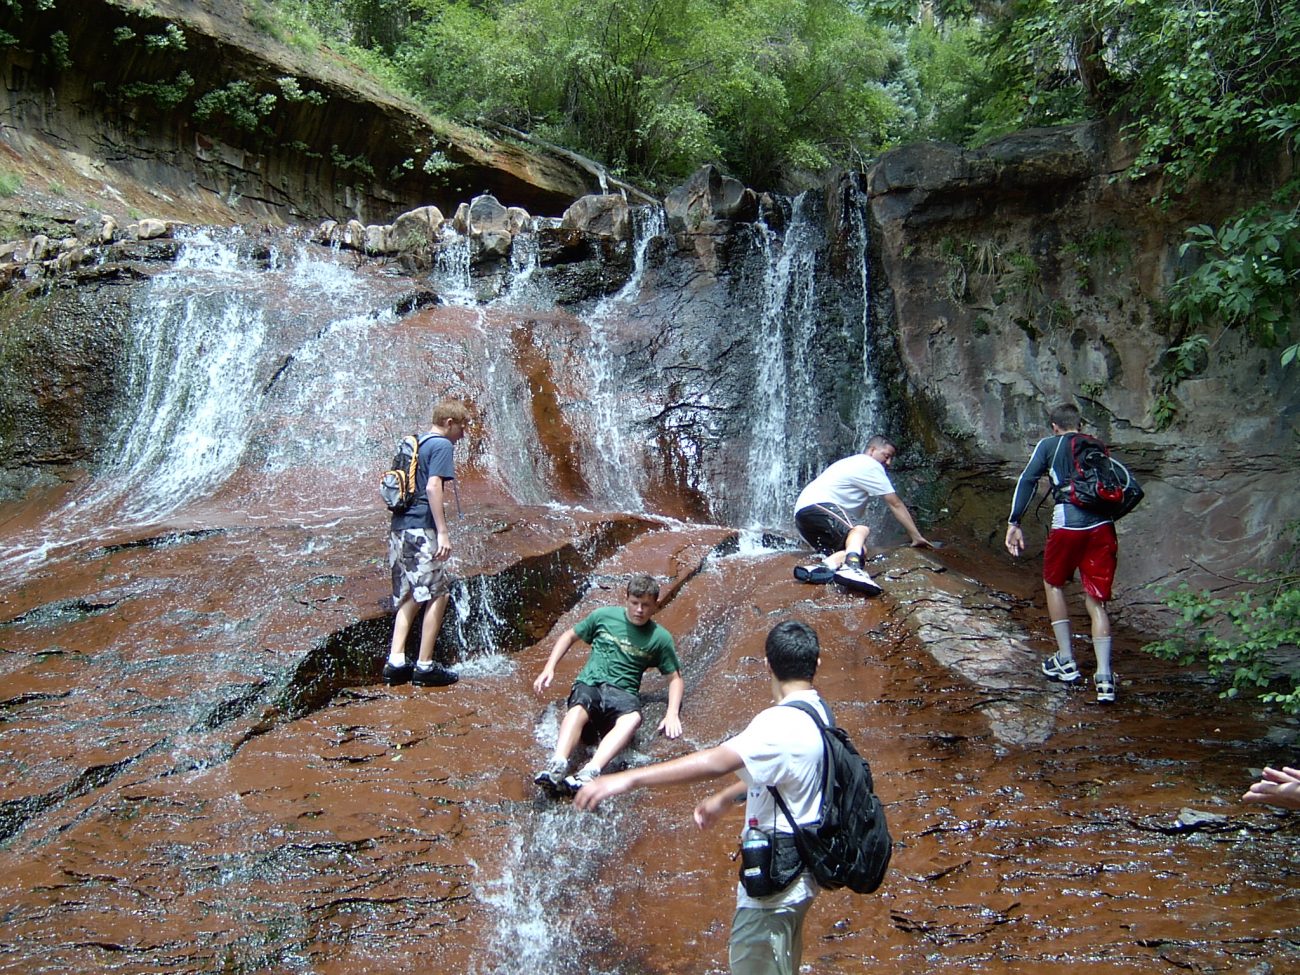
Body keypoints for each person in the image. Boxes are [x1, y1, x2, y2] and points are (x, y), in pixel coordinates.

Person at [574, 620, 829, 975]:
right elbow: (787, 773)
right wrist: (726, 798)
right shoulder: (818, 713)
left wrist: (627, 779)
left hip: (777, 881)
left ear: (767, 664)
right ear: (816, 665)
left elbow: (715, 761)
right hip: (801, 875)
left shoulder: (780, 724)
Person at [1005, 402, 1118, 703]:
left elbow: (1028, 480)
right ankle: (1105, 677)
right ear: (1079, 424)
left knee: (1053, 582)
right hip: (1103, 526)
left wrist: (1014, 521)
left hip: (1069, 523)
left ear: (1054, 426)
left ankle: (1066, 660)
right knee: (1096, 598)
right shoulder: (1096, 445)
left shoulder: (1049, 445)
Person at [532, 573, 684, 792]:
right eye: (635, 603)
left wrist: (672, 713)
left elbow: (675, 678)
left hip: (623, 692)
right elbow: (569, 636)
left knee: (632, 718)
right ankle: (557, 764)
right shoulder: (603, 616)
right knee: (578, 706)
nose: (639, 610)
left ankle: (591, 771)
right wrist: (549, 667)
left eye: (645, 605)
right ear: (626, 599)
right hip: (591, 683)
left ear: (655, 606)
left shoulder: (660, 638)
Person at [382, 399, 469, 688]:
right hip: (421, 528)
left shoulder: (416, 443)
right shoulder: (442, 445)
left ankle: (396, 661)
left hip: (399, 529)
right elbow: (433, 487)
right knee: (438, 593)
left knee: (409, 593)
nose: (463, 434)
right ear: (448, 423)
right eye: (461, 427)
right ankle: (425, 665)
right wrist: (442, 532)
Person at [792, 435, 933, 588]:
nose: (888, 462)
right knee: (860, 529)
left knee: (859, 549)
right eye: (886, 456)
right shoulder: (869, 464)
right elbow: (895, 503)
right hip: (817, 505)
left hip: (803, 517)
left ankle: (821, 568)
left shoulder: (851, 463)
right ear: (872, 450)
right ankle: (851, 568)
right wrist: (916, 537)